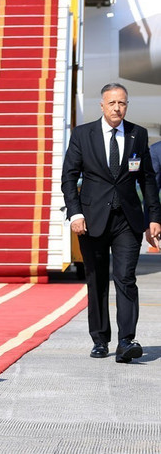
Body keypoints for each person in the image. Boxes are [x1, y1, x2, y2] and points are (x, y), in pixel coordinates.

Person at [61, 82, 161, 363]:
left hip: (127, 220)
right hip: (92, 220)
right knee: (97, 280)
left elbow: (147, 179)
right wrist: (75, 213)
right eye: (113, 103)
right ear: (102, 106)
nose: (118, 108)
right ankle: (100, 339)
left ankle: (127, 340)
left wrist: (154, 217)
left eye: (123, 103)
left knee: (126, 278)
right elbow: (69, 176)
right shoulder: (83, 135)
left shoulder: (137, 135)